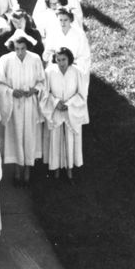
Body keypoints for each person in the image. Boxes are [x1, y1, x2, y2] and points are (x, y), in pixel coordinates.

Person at [0, 31, 46, 186]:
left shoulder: (35, 59)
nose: (20, 52)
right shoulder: (6, 60)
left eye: (23, 48)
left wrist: (34, 90)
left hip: (29, 103)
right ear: (13, 47)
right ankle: (17, 170)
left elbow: (43, 81)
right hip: (14, 104)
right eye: (17, 48)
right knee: (16, 135)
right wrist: (11, 91)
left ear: (27, 47)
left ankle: (28, 169)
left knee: (29, 136)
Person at [41, 47, 88, 181]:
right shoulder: (49, 72)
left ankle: (69, 169)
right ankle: (55, 169)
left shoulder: (77, 71)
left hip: (71, 110)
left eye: (64, 59)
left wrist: (68, 104)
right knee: (55, 138)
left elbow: (82, 93)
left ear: (69, 59)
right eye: (58, 59)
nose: (61, 62)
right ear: (55, 60)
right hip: (55, 109)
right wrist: (56, 102)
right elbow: (45, 92)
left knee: (70, 138)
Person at [42, 7, 91, 76]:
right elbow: (46, 54)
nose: (63, 23)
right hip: (56, 66)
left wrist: (74, 63)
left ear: (70, 20)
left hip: (74, 66)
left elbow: (84, 55)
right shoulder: (52, 33)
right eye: (60, 20)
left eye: (65, 20)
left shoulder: (79, 34)